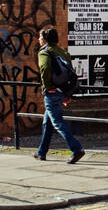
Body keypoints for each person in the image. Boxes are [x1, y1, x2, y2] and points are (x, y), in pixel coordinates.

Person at [36, 26, 84, 163]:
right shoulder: (62, 51)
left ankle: (77, 149)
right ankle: (41, 152)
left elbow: (44, 69)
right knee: (48, 122)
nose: (38, 40)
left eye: (40, 37)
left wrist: (47, 87)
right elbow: (70, 73)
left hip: (52, 93)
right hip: (62, 91)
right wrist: (68, 95)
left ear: (45, 39)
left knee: (57, 122)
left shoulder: (44, 52)